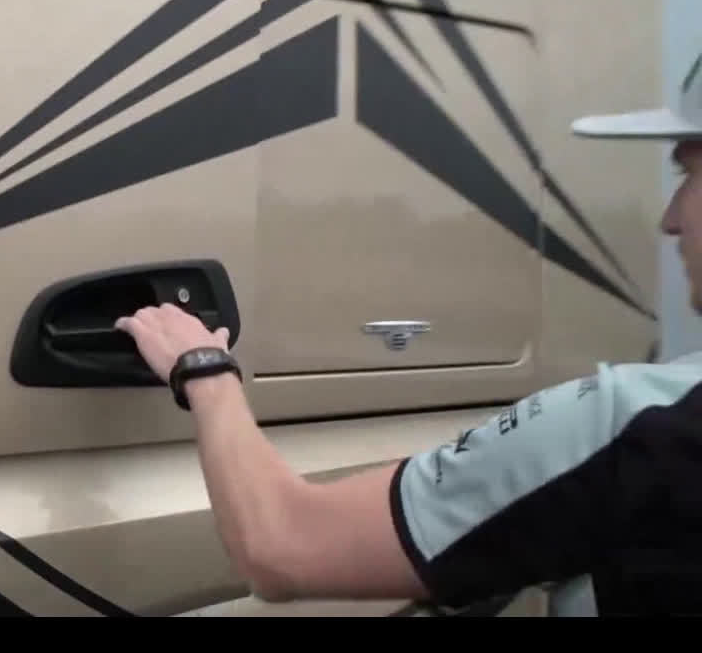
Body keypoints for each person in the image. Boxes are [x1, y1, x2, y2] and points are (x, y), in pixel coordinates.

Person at [115, 49, 702, 616]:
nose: (670, 218)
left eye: (690, 173)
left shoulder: (633, 427)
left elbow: (283, 543)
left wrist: (204, 368)